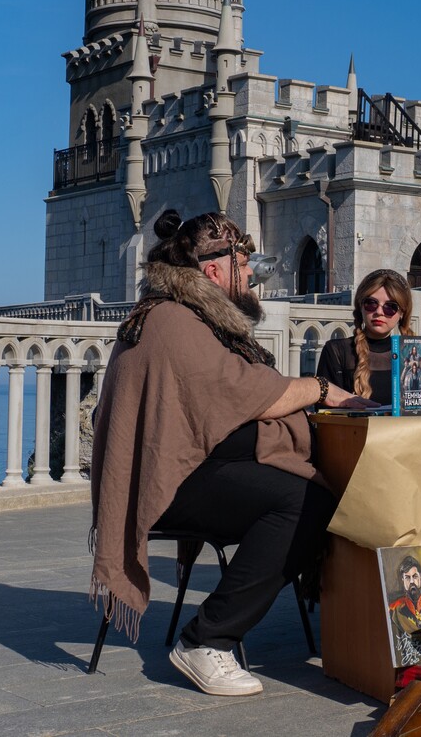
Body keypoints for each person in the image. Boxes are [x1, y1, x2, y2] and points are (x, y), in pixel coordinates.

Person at [89, 210, 372, 699]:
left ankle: (342, 623)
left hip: (195, 468)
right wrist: (322, 388)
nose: (252, 276)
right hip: (167, 484)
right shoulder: (173, 320)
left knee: (308, 491)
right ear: (214, 269)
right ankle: (206, 640)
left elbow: (230, 399)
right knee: (303, 504)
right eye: (244, 265)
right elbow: (247, 393)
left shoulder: (188, 314)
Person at [316, 268, 415, 406]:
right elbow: (323, 410)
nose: (379, 312)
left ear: (402, 313)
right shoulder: (337, 351)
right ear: (360, 306)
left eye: (390, 307)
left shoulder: (415, 353)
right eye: (371, 303)